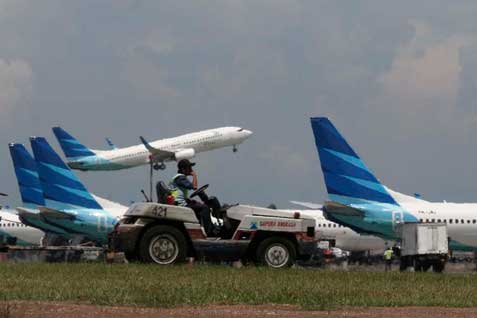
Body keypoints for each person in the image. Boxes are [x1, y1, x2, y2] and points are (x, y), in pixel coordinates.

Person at [169, 159, 218, 236]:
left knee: (198, 205)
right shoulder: (180, 178)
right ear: (183, 169)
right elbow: (194, 187)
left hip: (180, 202)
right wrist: (194, 175)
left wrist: (190, 201)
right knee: (205, 208)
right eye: (189, 168)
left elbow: (179, 194)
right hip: (180, 204)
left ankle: (203, 229)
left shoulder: (178, 178)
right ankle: (210, 232)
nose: (191, 169)